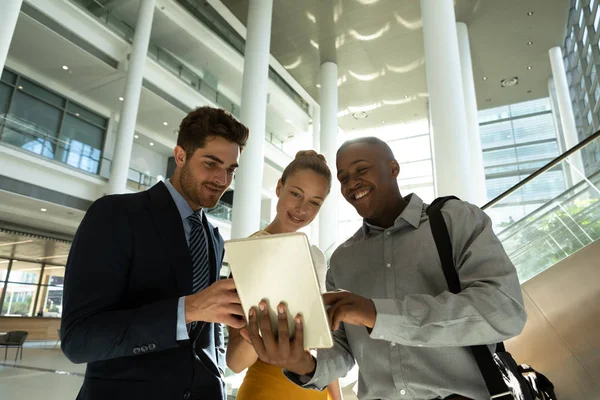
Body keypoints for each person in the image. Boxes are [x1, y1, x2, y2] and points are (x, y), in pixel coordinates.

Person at [243, 137, 527, 400]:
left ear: (393, 168)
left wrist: (376, 313)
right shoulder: (341, 260)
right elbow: (341, 351)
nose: (352, 182)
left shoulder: (456, 220)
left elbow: (505, 311)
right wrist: (301, 363)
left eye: (361, 169)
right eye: (343, 178)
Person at [60, 106, 249, 400]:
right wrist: (188, 309)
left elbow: (206, 337)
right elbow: (79, 340)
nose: (223, 180)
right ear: (180, 156)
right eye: (212, 164)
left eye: (231, 170)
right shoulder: (116, 215)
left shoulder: (213, 237)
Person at [226, 150, 343, 400]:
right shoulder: (250, 253)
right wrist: (259, 331)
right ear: (279, 187)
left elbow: (323, 347)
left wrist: (337, 398)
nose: (302, 208)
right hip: (266, 391)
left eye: (314, 202)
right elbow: (235, 362)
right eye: (296, 194)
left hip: (314, 391)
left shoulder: (316, 257)